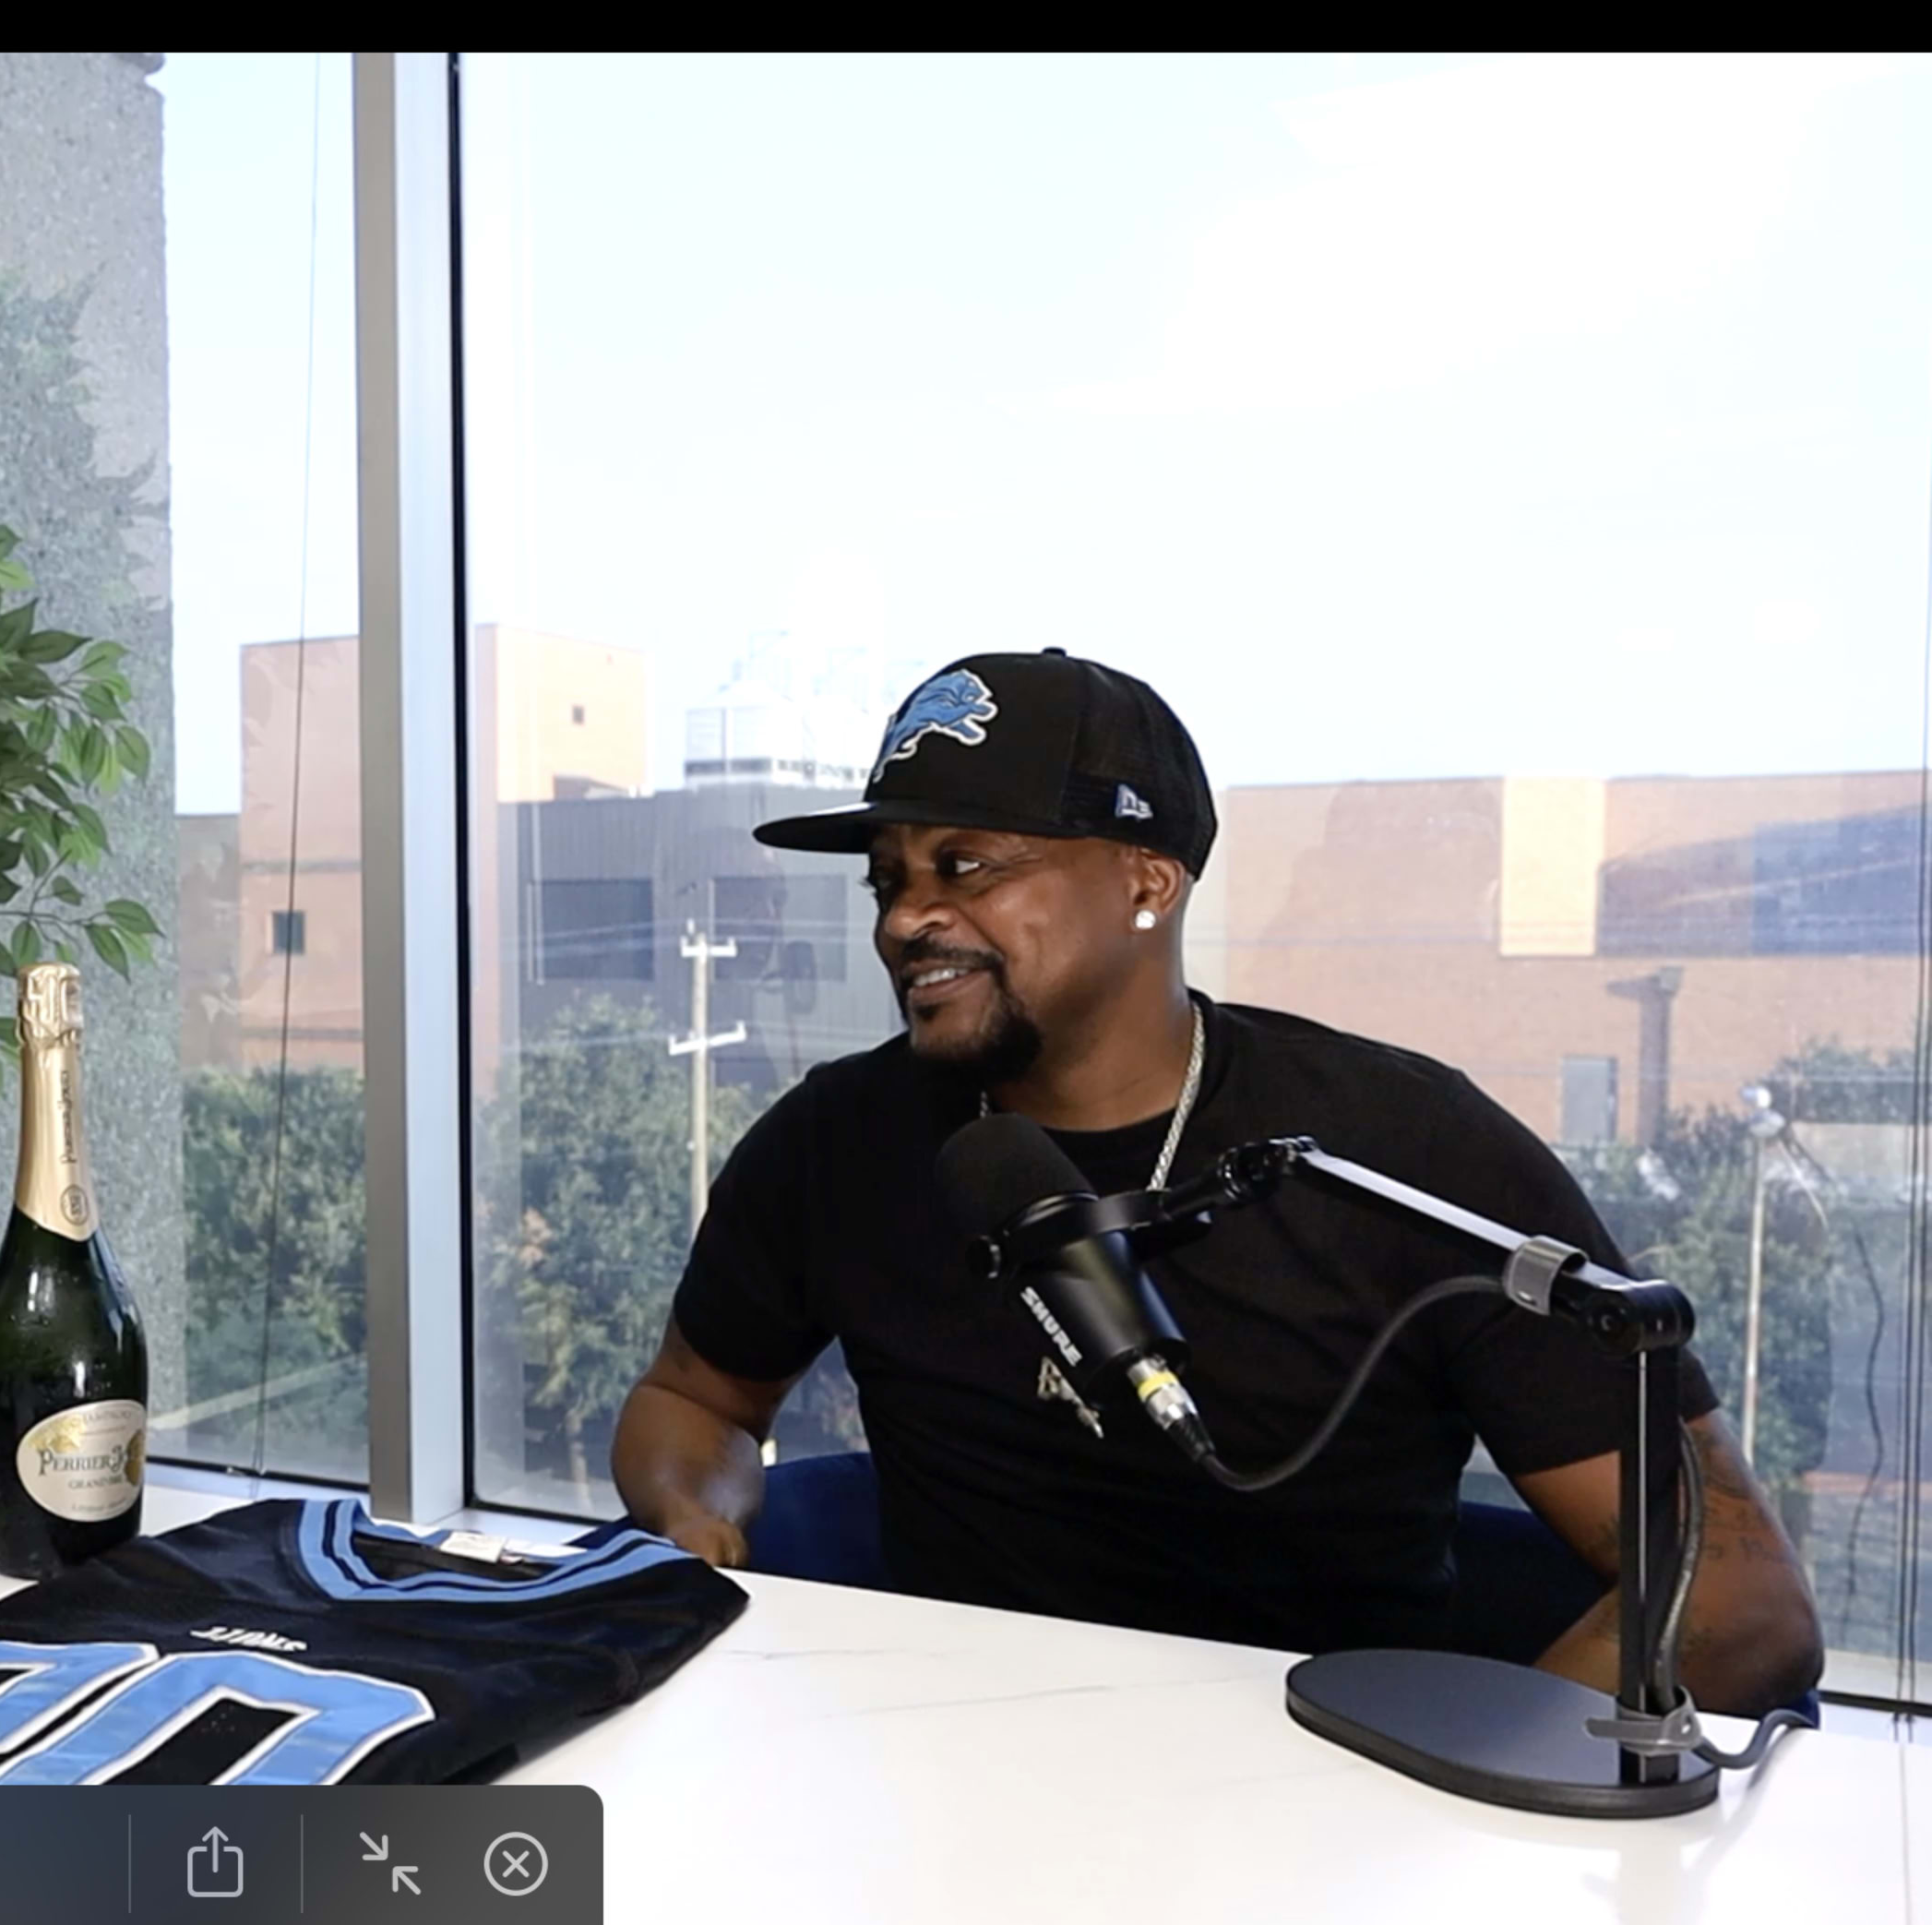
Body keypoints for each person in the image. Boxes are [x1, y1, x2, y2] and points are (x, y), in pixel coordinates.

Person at [614, 652, 1823, 1716]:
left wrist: (1468, 1798)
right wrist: (689, 1518)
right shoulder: (838, 1139)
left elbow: (1740, 1601)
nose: (906, 920)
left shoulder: (1405, 1151)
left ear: (1148, 882)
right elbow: (693, 1399)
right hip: (953, 1779)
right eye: (890, 880)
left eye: (965, 866)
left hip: (1331, 1805)